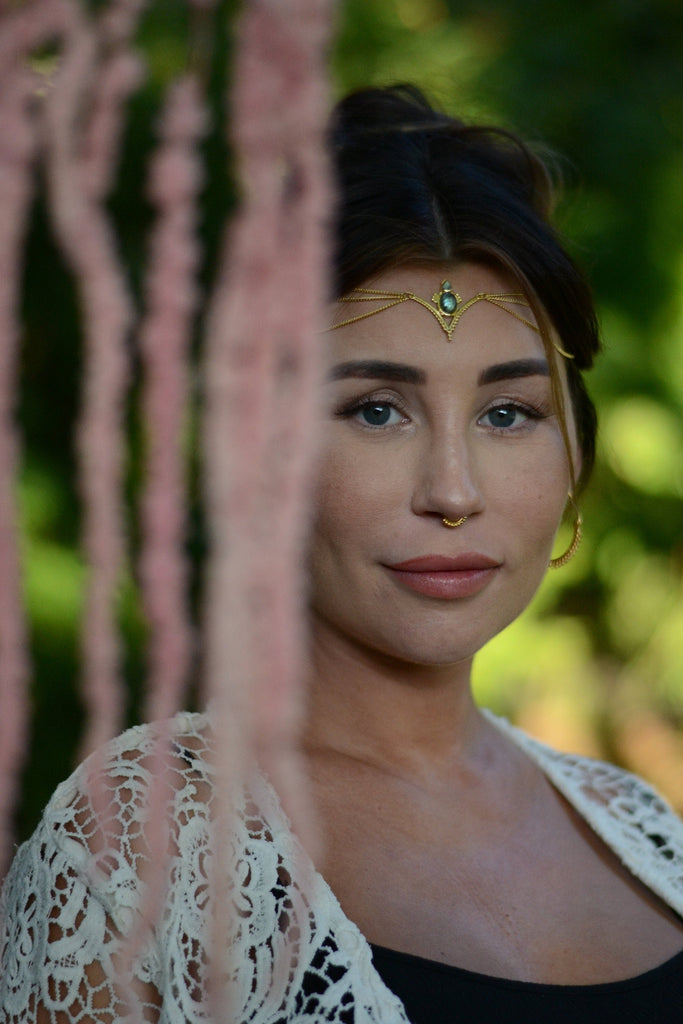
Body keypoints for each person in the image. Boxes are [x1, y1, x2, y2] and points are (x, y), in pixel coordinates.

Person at [2, 84, 682, 1024]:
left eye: (506, 413)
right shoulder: (140, 849)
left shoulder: (639, 828)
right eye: (375, 409)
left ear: (572, 454)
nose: (452, 489)